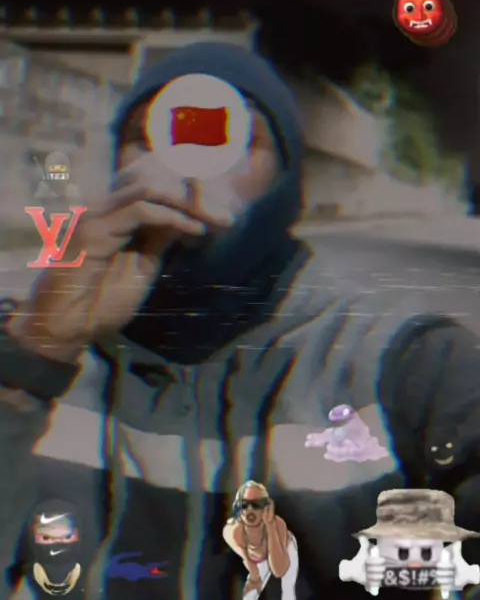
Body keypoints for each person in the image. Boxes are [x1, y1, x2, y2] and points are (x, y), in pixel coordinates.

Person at [1, 41, 480, 600]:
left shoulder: (406, 360)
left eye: (231, 139)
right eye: (146, 137)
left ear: (287, 177)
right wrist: (35, 356)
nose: (181, 163)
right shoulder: (35, 347)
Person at [223, 480, 298, 598]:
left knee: (288, 592)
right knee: (249, 595)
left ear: (266, 507)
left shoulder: (277, 525)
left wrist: (270, 525)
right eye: (244, 505)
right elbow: (251, 566)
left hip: (283, 550)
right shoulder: (233, 531)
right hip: (259, 558)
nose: (250, 510)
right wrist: (254, 577)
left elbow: (279, 571)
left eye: (256, 504)